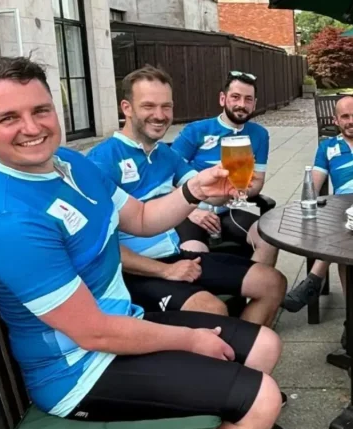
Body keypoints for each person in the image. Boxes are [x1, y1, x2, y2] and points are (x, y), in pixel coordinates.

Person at [0, 57, 295, 429]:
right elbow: (94, 332)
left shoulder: (71, 166)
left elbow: (140, 218)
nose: (31, 128)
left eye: (41, 110)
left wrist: (191, 192)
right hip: (79, 371)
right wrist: (191, 340)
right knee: (262, 399)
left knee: (265, 344)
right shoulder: (11, 221)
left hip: (122, 327)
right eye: (9, 118)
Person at [87, 66, 287, 329]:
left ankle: (242, 353)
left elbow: (205, 192)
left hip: (174, 254)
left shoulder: (165, 154)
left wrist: (226, 189)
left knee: (272, 282)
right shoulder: (100, 162)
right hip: (133, 273)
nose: (160, 116)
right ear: (127, 108)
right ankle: (233, 355)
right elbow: (98, 248)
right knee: (214, 310)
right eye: (149, 106)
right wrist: (165, 271)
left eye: (166, 107)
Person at [281, 96, 353, 345]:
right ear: (336, 120)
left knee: (341, 239)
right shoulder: (327, 148)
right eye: (345, 117)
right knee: (344, 244)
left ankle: (314, 281)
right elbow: (313, 186)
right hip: (343, 211)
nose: (351, 121)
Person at [170, 71, 279, 266]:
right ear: (223, 98)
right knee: (195, 255)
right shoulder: (196, 130)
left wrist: (243, 189)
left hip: (228, 209)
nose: (241, 105)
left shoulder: (259, 135)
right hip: (190, 211)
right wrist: (191, 212)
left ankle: (254, 288)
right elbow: (164, 179)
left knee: (269, 240)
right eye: (235, 97)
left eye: (248, 99)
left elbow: (257, 182)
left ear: (254, 104)